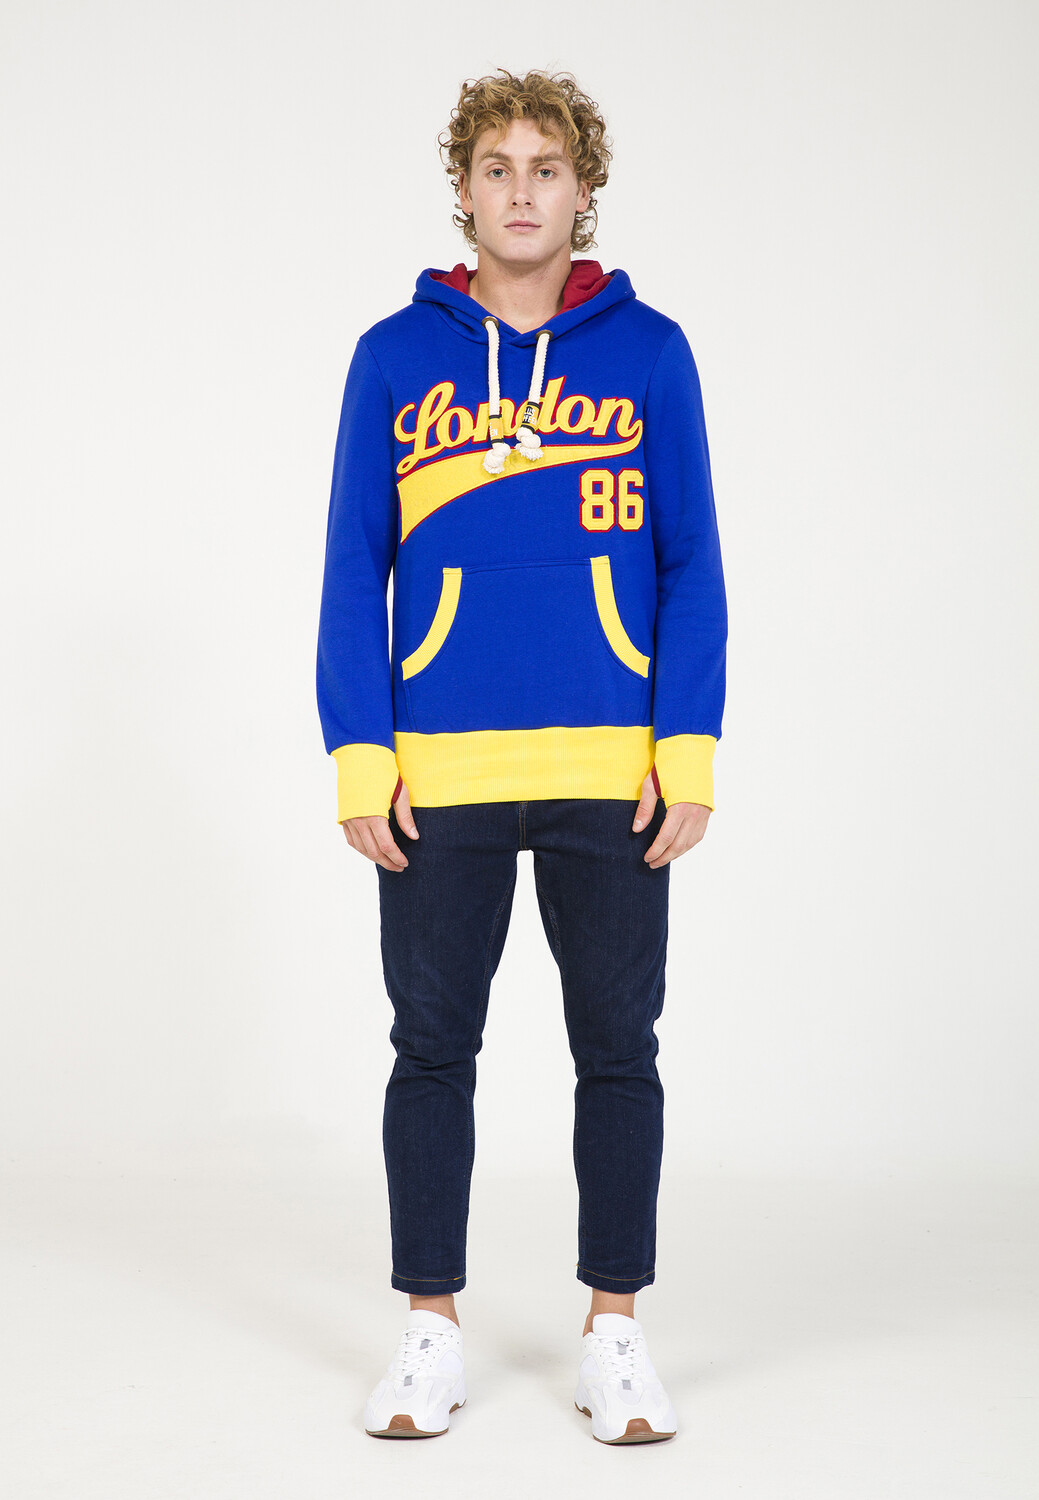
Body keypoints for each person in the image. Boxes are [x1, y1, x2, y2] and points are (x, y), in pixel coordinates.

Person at [315, 66, 727, 1445]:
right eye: (496, 167)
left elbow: (690, 564)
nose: (521, 190)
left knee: (619, 1050)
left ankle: (616, 1332)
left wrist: (689, 750)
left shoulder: (651, 353)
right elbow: (351, 568)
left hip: (615, 772)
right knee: (430, 1050)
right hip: (440, 775)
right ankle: (429, 1332)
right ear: (465, 190)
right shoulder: (394, 356)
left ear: (582, 188)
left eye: (546, 166)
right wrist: (361, 758)